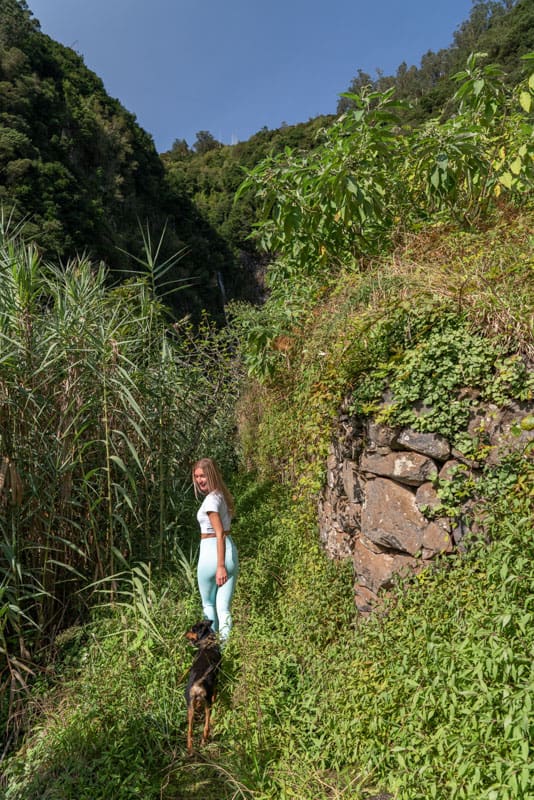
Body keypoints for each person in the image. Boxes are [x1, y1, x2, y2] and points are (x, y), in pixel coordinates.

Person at [192, 458, 239, 644]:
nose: (199, 480)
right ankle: (226, 650)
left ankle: (210, 648)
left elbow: (219, 534)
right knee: (224, 608)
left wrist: (220, 566)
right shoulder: (221, 495)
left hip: (212, 554)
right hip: (229, 553)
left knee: (209, 605)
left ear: (211, 475)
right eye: (196, 476)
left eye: (202, 476)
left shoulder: (211, 500)